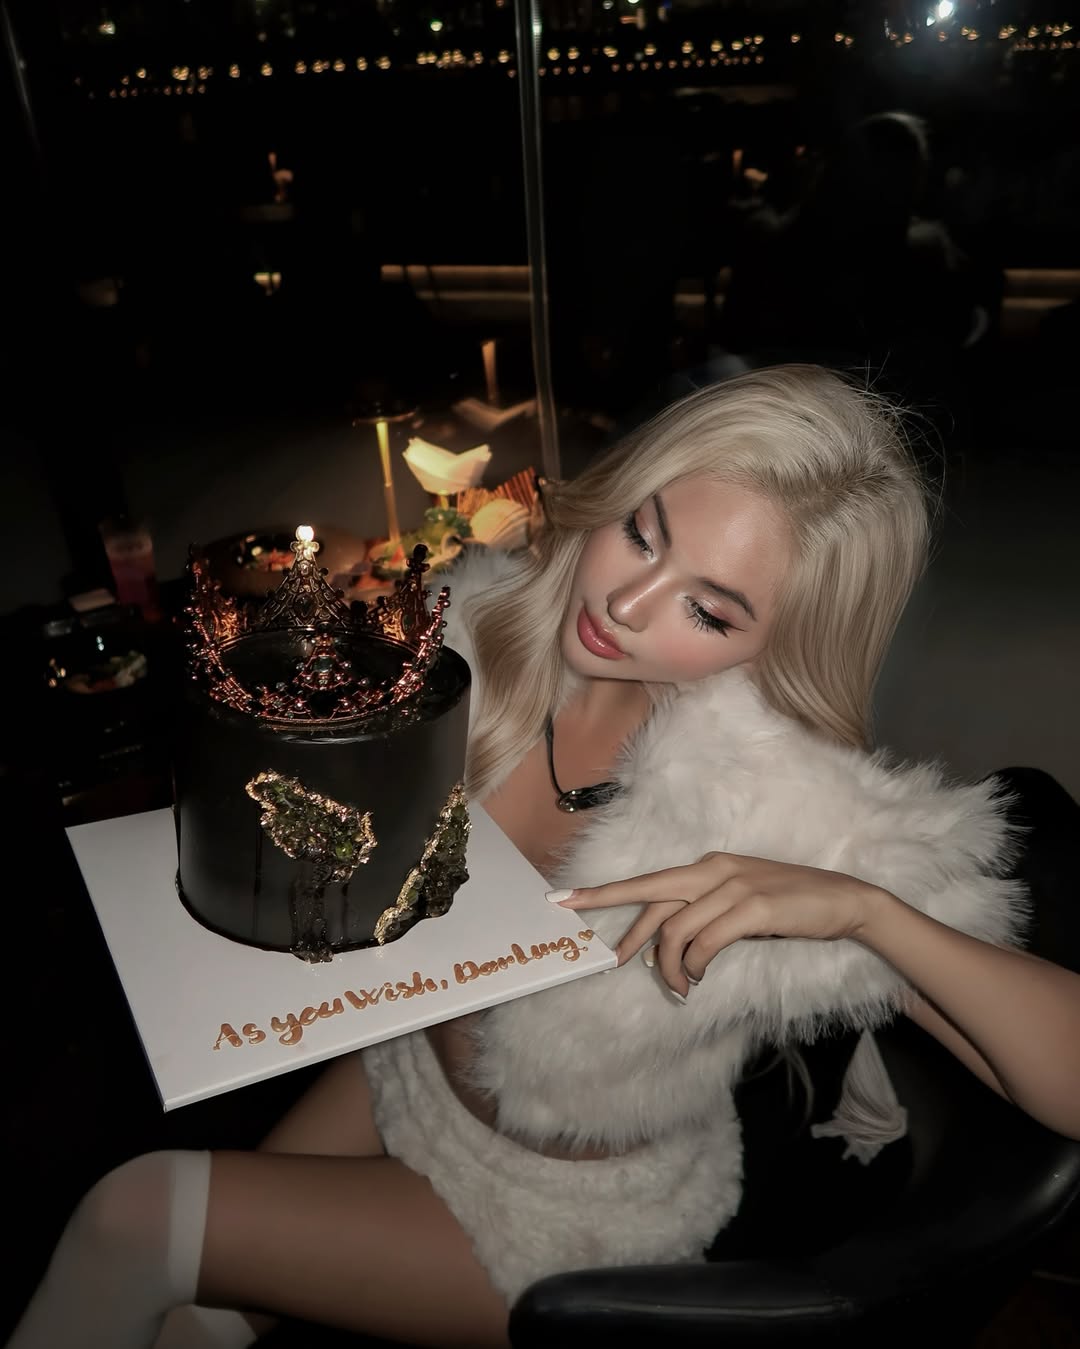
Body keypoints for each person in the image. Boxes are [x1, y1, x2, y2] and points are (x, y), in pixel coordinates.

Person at [8, 365, 1080, 1349]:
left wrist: (864, 910)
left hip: (565, 1208)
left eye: (709, 609)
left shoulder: (794, 812)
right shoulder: (484, 632)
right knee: (184, 1314)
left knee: (134, 1215)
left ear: (782, 640)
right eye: (642, 534)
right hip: (404, 1063)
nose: (624, 604)